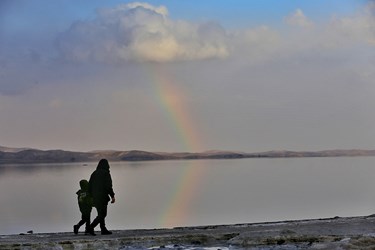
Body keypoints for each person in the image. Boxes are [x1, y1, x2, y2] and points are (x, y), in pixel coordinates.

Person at [88, 159, 115, 235]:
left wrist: (91, 196)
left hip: (95, 197)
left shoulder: (94, 173)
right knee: (103, 214)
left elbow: (89, 185)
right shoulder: (106, 173)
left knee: (100, 213)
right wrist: (112, 196)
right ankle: (91, 227)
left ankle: (103, 229)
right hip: (102, 197)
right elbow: (108, 186)